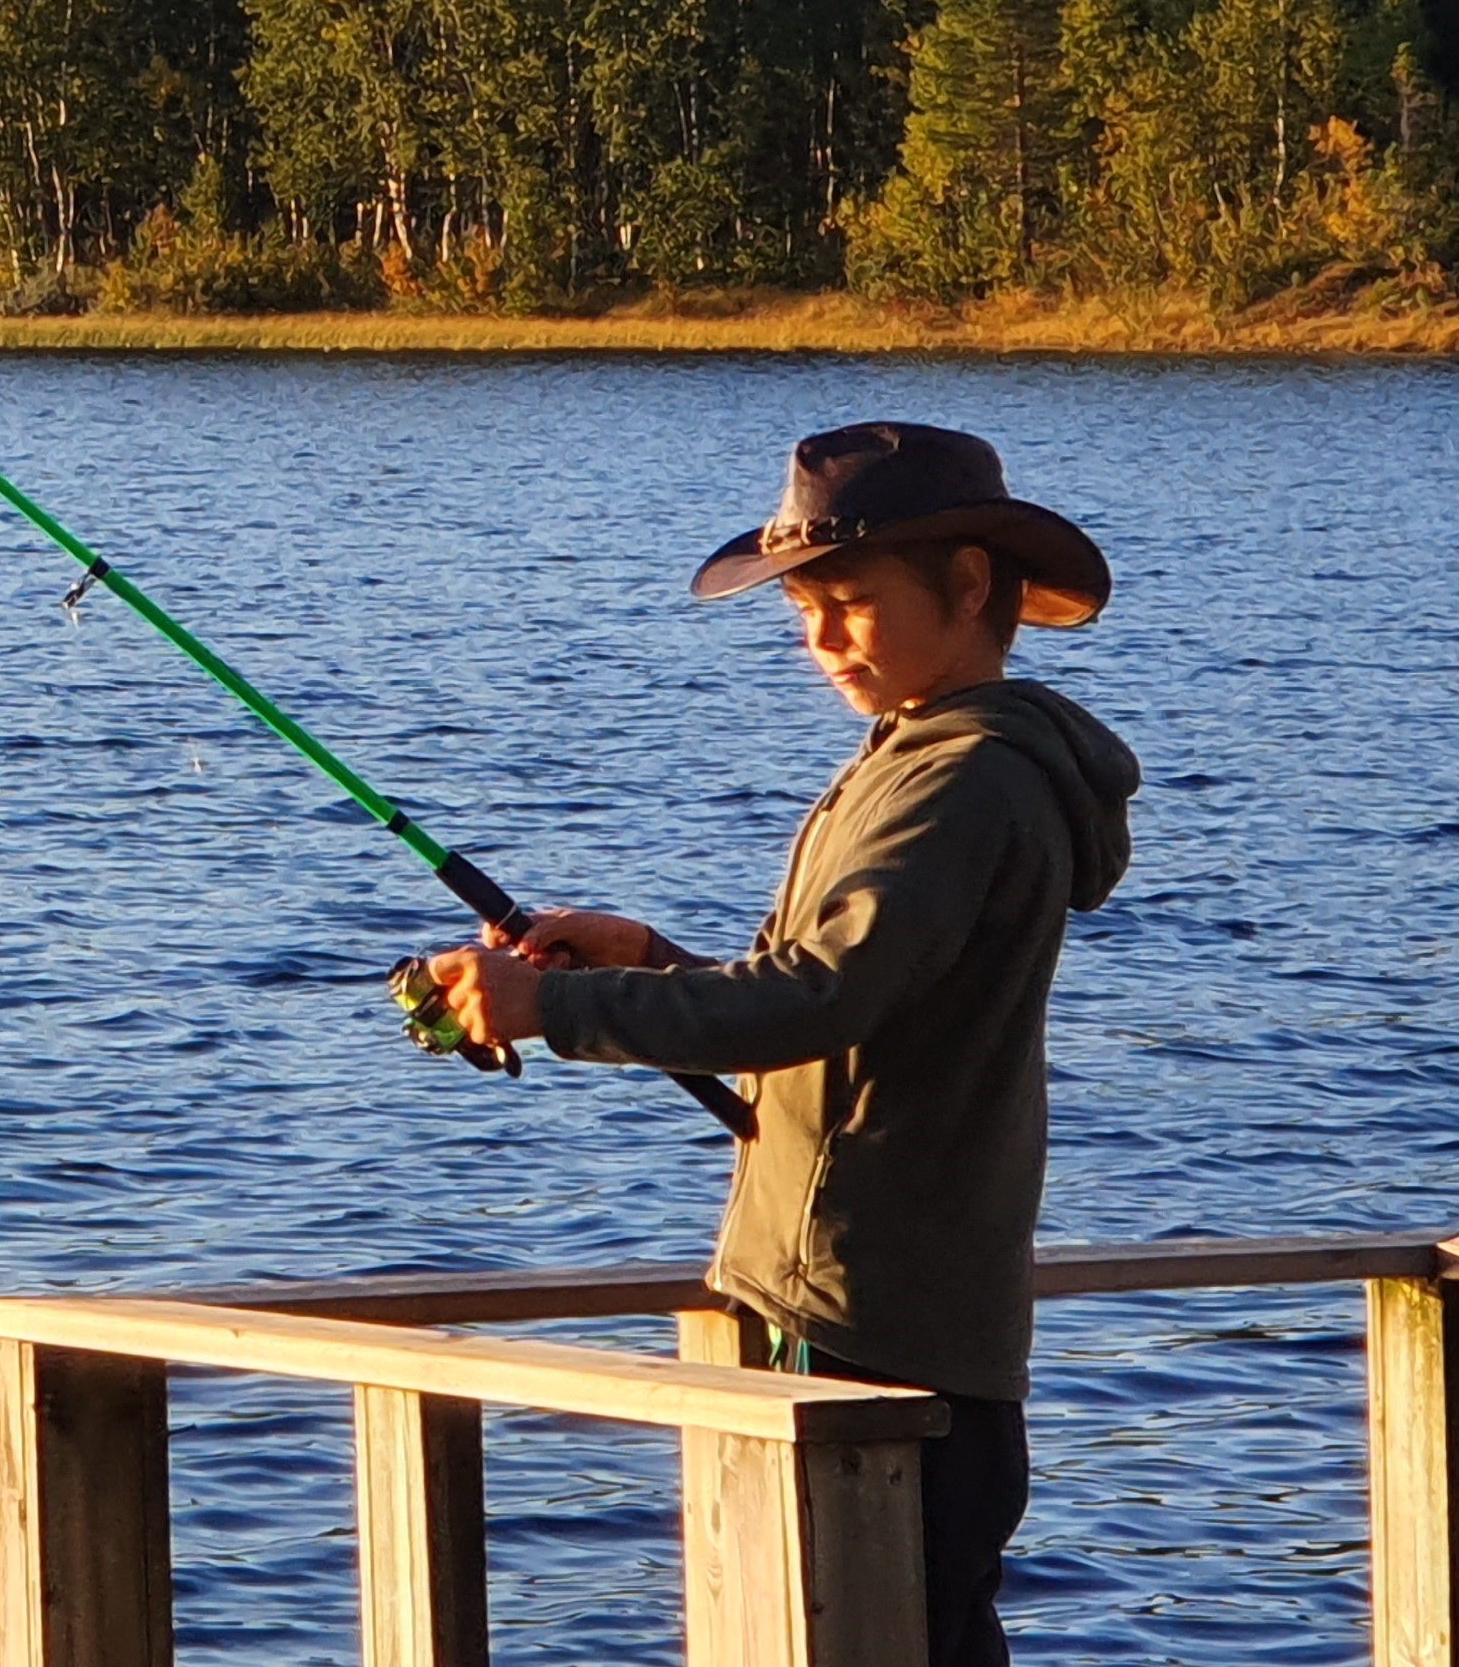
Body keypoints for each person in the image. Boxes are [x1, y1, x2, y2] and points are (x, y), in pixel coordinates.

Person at [420, 421, 1139, 1667]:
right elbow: (839, 1015)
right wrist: (650, 961)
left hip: (863, 1316)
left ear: (968, 587)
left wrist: (552, 1009)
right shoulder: (936, 762)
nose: (819, 637)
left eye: (851, 600)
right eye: (804, 606)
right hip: (917, 1315)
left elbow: (815, 1003)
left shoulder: (958, 780)